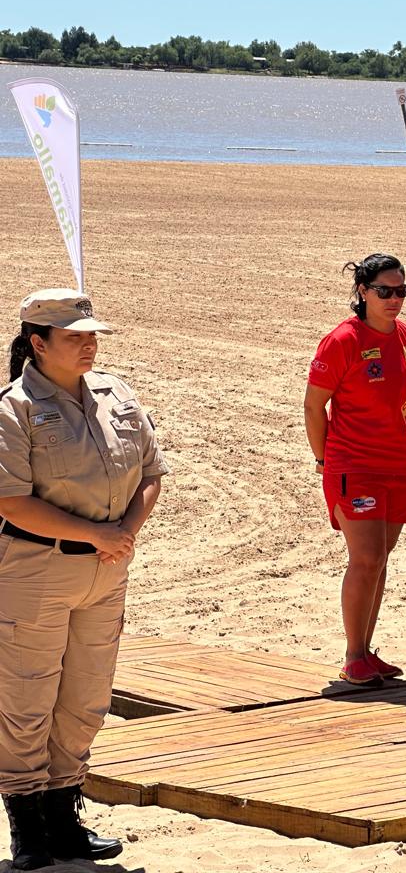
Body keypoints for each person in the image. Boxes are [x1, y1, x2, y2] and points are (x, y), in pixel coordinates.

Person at [0, 289, 167, 869]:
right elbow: (13, 502)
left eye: (93, 334)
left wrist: (124, 531)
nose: (89, 344)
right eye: (75, 337)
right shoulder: (14, 408)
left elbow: (150, 470)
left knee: (86, 698)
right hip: (36, 569)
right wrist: (101, 535)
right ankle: (28, 826)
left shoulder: (116, 393)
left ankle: (65, 816)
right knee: (27, 697)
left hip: (105, 567)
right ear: (38, 343)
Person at [305, 254, 406, 686]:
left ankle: (367, 652)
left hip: (400, 463)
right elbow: (314, 406)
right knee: (366, 556)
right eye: (384, 292)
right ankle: (353, 655)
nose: (394, 300)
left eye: (401, 292)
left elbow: (402, 402)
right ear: (362, 292)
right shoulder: (342, 340)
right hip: (354, 465)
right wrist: (324, 460)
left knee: (380, 559)